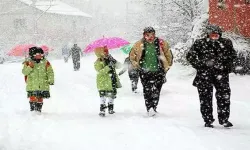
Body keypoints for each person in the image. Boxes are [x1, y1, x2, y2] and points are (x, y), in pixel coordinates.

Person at [186, 24, 237, 128]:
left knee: (224, 97)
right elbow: (190, 56)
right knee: (205, 99)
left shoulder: (226, 43)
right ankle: (208, 120)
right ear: (207, 35)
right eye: (212, 35)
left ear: (220, 35)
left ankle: (224, 119)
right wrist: (200, 65)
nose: (214, 37)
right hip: (204, 75)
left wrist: (227, 66)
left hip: (221, 74)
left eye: (216, 35)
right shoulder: (200, 43)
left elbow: (233, 56)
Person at [129, 27, 173, 116]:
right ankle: (149, 108)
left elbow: (169, 55)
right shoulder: (138, 44)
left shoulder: (162, 43)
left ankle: (154, 106)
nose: (150, 37)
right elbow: (132, 56)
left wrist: (167, 66)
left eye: (152, 35)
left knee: (157, 90)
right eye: (147, 35)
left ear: (155, 34)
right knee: (147, 90)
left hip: (159, 71)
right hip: (144, 71)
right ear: (144, 35)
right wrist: (136, 65)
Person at [22, 47, 54, 113]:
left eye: (41, 54)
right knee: (33, 97)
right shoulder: (28, 62)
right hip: (32, 84)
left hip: (43, 84)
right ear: (33, 55)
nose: (39, 55)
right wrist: (30, 66)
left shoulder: (45, 62)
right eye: (37, 54)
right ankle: (33, 110)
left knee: (40, 97)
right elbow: (24, 72)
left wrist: (51, 80)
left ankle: (38, 110)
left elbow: (50, 71)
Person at [94, 46, 122, 117]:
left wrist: (114, 61)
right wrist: (108, 67)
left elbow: (119, 66)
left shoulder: (110, 59)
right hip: (103, 81)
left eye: (107, 51)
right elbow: (100, 71)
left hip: (111, 79)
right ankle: (102, 110)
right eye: (105, 51)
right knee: (102, 96)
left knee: (111, 94)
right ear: (100, 53)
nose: (107, 52)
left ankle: (110, 108)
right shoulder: (98, 62)